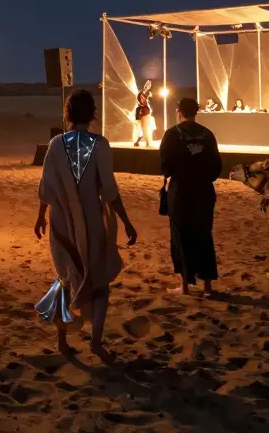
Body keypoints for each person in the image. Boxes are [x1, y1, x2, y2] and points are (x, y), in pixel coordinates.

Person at [34, 89, 138, 360]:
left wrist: (40, 217)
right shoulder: (100, 144)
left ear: (67, 113)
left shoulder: (56, 144)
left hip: (61, 222)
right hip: (91, 223)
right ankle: (96, 342)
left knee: (66, 277)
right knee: (99, 281)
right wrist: (125, 220)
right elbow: (110, 190)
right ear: (93, 114)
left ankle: (62, 342)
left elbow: (46, 188)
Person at [159, 97, 223, 296]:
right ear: (196, 112)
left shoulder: (172, 134)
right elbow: (216, 166)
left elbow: (165, 165)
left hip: (181, 190)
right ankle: (207, 286)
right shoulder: (207, 134)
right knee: (204, 235)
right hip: (203, 190)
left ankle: (185, 285)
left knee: (180, 236)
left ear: (179, 112)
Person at [133, 80, 155, 147]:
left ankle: (141, 142)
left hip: (145, 114)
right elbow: (141, 96)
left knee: (144, 129)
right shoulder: (141, 97)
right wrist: (146, 87)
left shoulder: (143, 100)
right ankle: (142, 142)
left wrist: (148, 94)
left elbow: (144, 100)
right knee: (144, 129)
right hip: (144, 114)